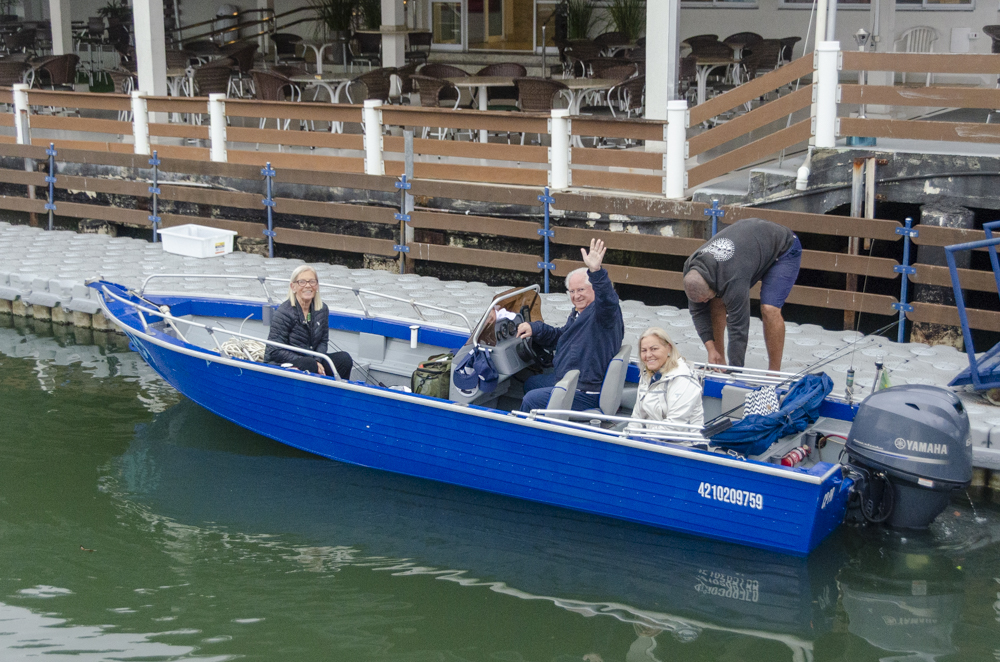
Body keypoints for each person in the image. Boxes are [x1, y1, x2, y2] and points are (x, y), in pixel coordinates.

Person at [517, 238, 625, 411]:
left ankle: (525, 428)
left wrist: (596, 271)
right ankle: (546, 424)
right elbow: (562, 337)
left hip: (585, 390)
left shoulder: (604, 314)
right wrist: (534, 328)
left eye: (581, 290)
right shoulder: (579, 313)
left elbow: (608, 299)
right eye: (572, 291)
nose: (576, 296)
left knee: (531, 400)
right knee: (531, 383)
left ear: (594, 289)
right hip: (570, 379)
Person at [682, 218, 801, 371]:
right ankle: (718, 362)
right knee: (715, 302)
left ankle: (774, 373)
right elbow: (698, 312)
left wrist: (735, 371)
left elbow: (738, 327)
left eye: (705, 298)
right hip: (749, 245)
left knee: (769, 309)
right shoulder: (690, 268)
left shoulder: (733, 278)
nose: (704, 302)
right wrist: (711, 349)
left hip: (783, 248)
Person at [264, 265, 353, 379]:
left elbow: (323, 341)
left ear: (317, 286)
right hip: (282, 363)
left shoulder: (322, 309)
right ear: (293, 287)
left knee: (344, 359)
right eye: (302, 282)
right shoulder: (284, 312)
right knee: (308, 364)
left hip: (312, 360)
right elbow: (274, 351)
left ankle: (334, 390)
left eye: (312, 281)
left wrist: (317, 360)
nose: (308, 285)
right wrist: (310, 361)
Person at [632, 327, 704, 428]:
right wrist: (629, 433)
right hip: (652, 435)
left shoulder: (683, 380)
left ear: (669, 348)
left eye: (654, 349)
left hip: (680, 438)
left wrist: (644, 435)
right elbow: (637, 416)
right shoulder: (647, 374)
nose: (648, 355)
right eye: (644, 350)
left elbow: (674, 427)